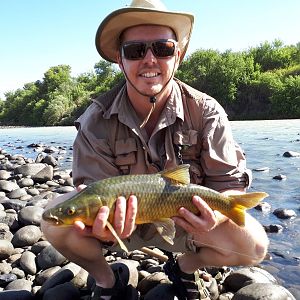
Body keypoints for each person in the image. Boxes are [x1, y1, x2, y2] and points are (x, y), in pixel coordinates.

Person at [41, 0, 269, 299]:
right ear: (120, 61)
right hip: (121, 226)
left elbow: (229, 186)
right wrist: (98, 226)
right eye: (135, 51)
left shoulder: (206, 111)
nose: (149, 60)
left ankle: (185, 267)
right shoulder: (96, 119)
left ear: (178, 56)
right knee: (53, 220)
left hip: (187, 220)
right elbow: (90, 188)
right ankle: (108, 280)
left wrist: (219, 216)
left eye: (162, 48)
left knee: (254, 245)